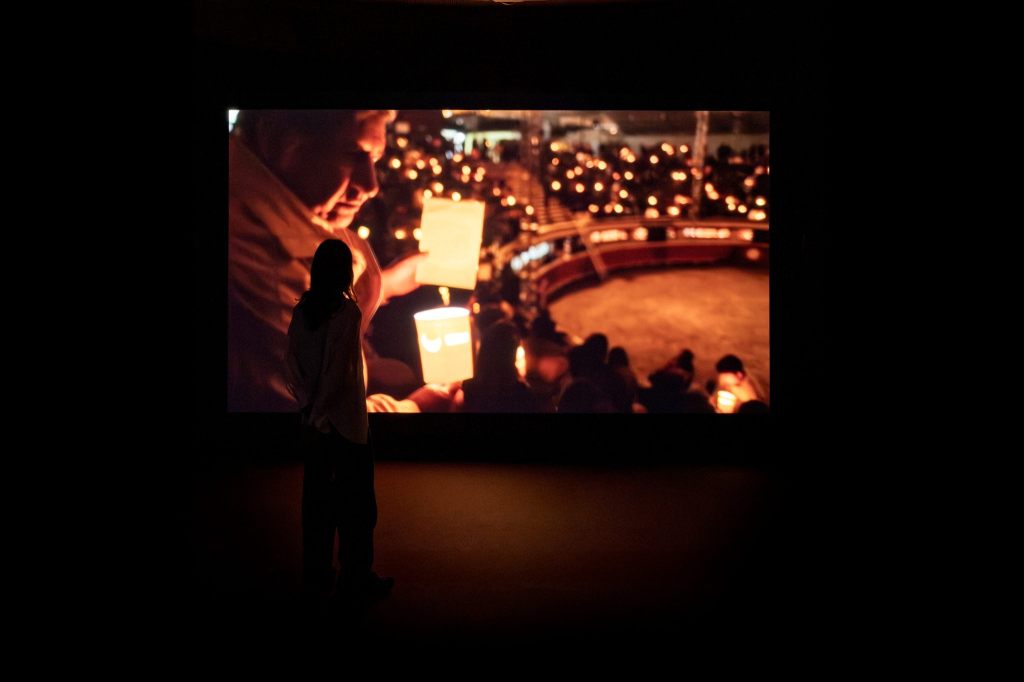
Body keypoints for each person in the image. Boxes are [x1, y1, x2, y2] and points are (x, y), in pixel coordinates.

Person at [228, 109, 448, 413]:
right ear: (276, 137)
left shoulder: (271, 202)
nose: (370, 185)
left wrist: (387, 284)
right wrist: (415, 409)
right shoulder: (267, 263)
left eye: (375, 158)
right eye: (354, 153)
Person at [286, 239, 394, 608]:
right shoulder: (347, 313)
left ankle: (317, 576)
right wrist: (323, 409)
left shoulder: (302, 312)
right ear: (346, 272)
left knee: (316, 505)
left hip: (314, 425)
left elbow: (294, 367)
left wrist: (308, 409)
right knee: (358, 506)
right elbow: (339, 372)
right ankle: (355, 577)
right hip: (346, 424)